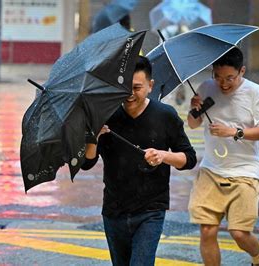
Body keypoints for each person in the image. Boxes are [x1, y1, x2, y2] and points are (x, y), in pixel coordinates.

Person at [82, 56, 197, 265]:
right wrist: (93, 136)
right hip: (114, 209)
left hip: (150, 210)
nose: (129, 94)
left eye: (136, 87)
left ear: (150, 85)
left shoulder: (165, 115)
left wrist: (163, 155)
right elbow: (86, 163)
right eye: (125, 87)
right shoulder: (106, 115)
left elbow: (188, 159)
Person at [187, 47, 259, 266]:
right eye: (217, 77)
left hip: (245, 171)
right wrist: (194, 110)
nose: (223, 84)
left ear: (242, 71)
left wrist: (233, 132)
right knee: (207, 230)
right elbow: (192, 124)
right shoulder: (206, 88)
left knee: (239, 233)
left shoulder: (255, 92)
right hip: (211, 169)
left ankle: (258, 258)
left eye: (230, 78)